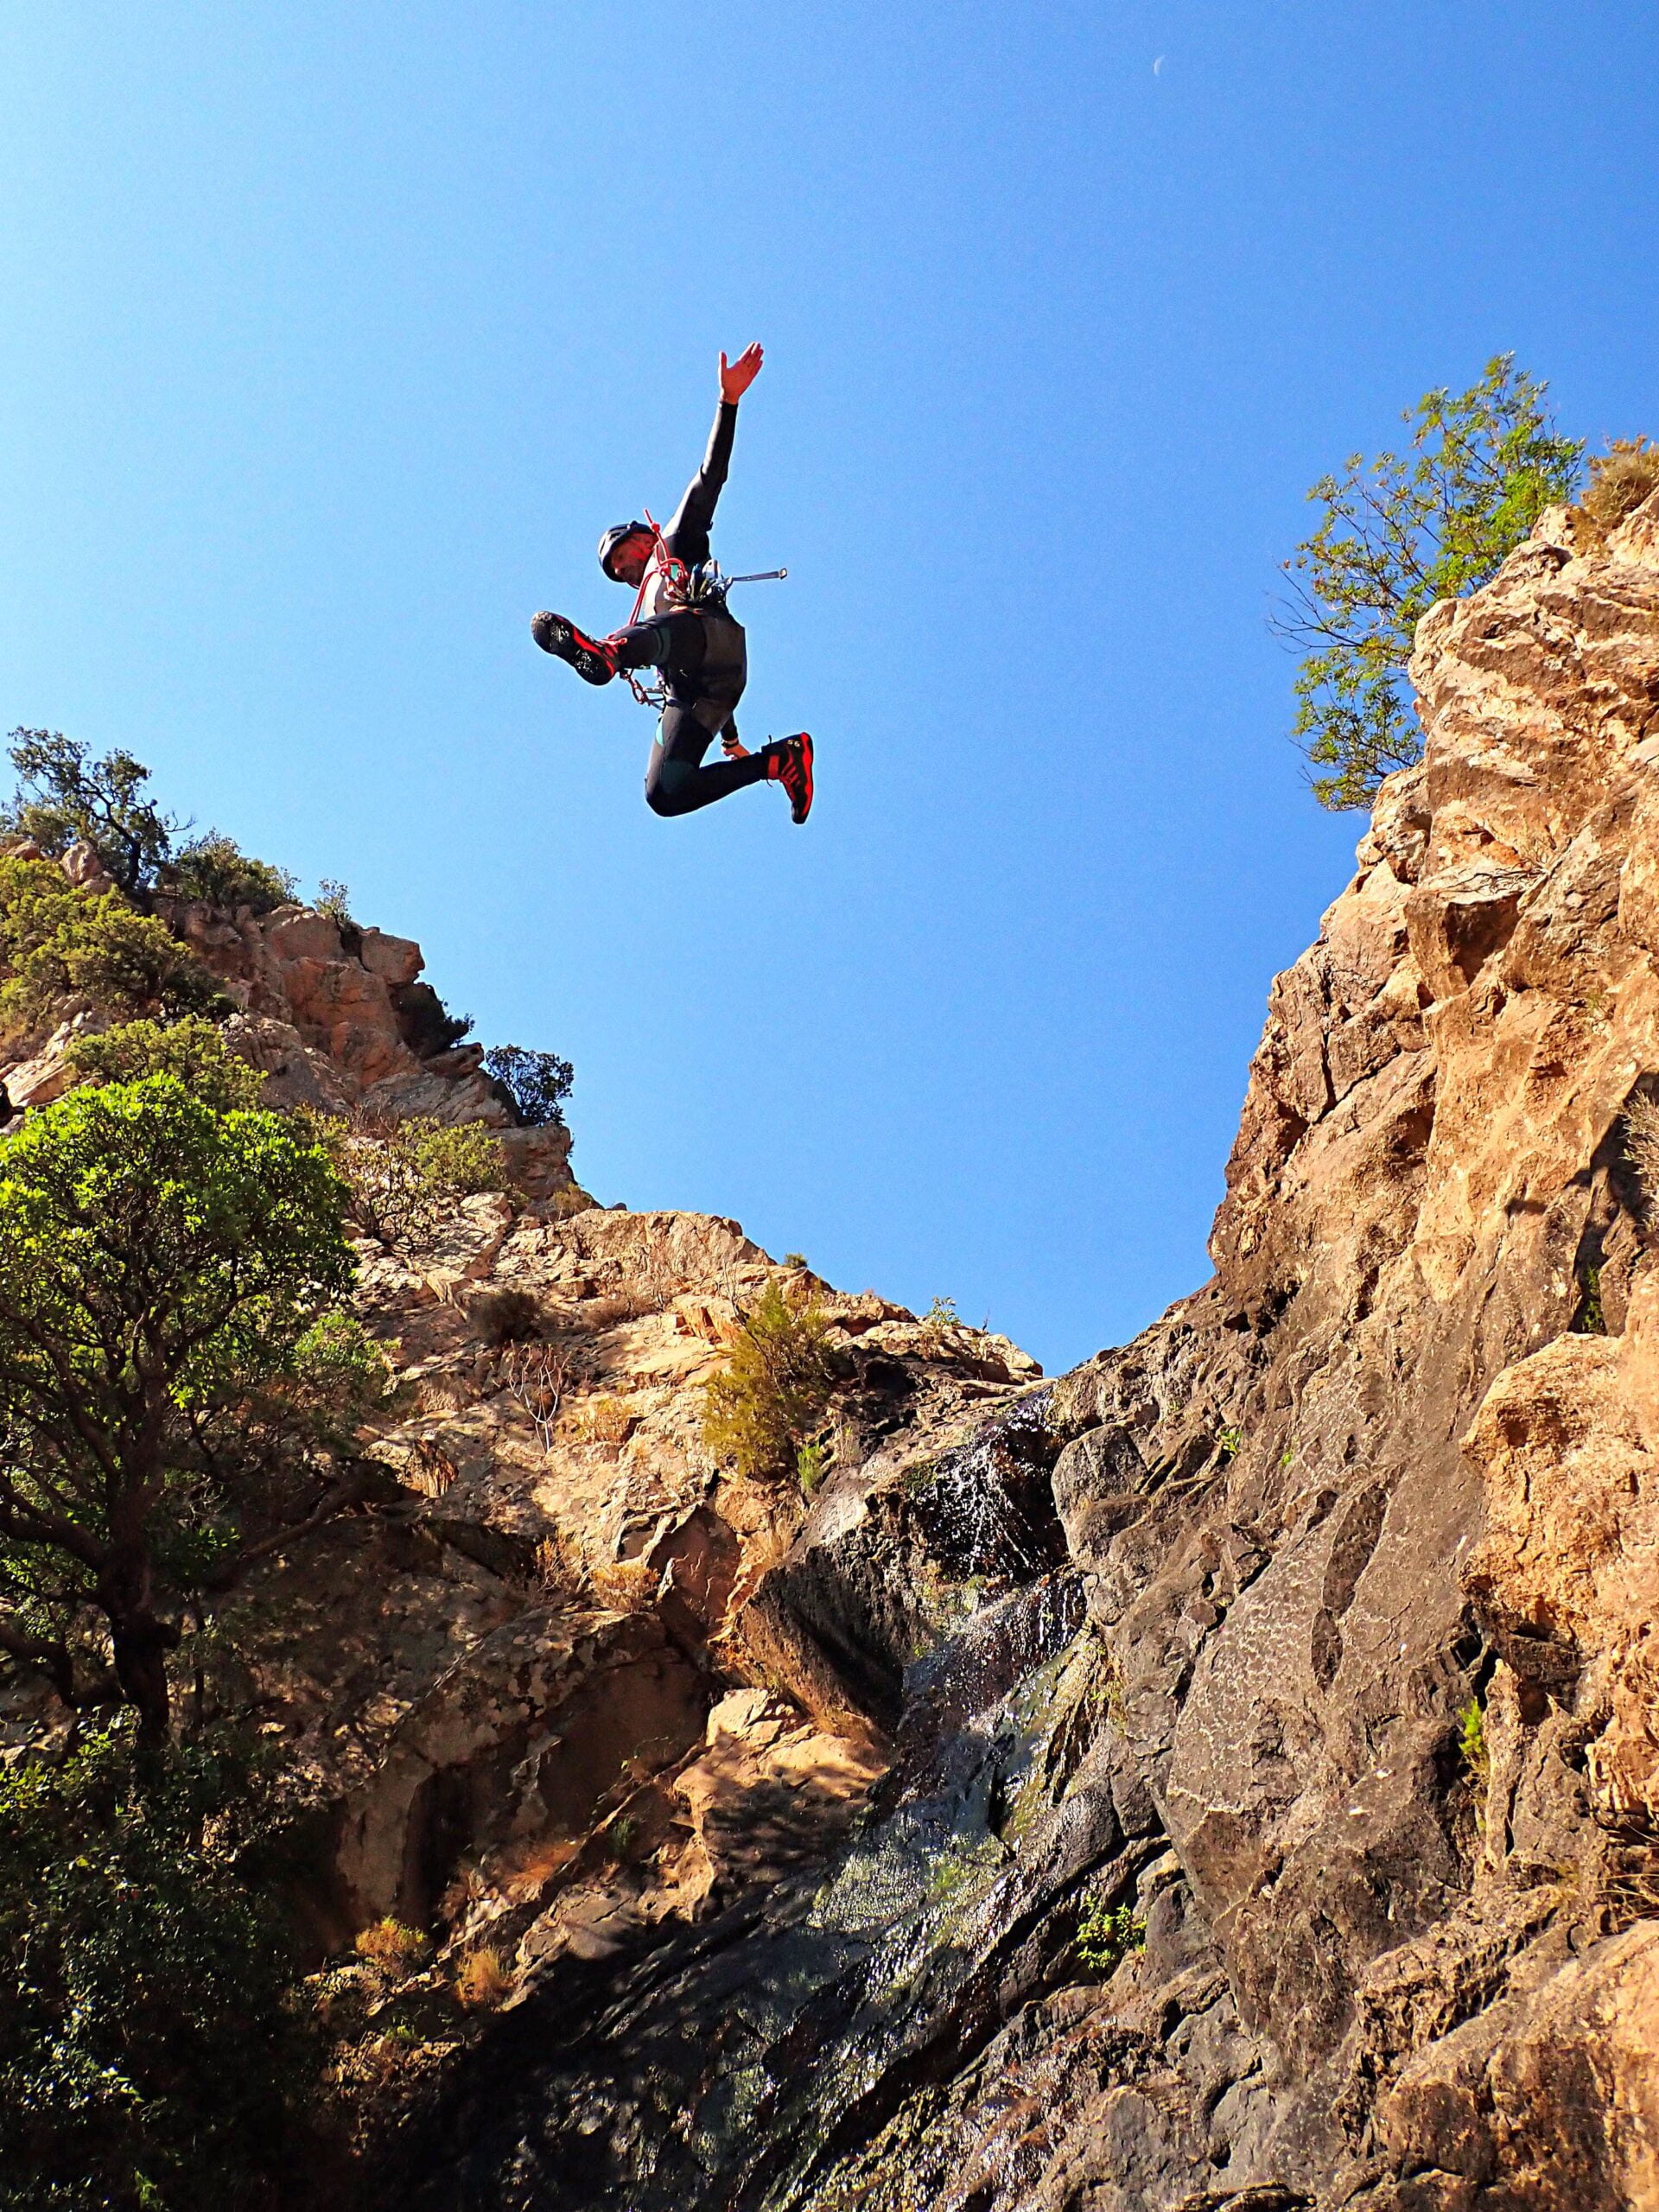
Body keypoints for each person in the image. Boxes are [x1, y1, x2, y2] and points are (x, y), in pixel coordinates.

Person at [531, 343, 814, 824]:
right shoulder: (647, 611)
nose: (625, 568)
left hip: (711, 635)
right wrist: (730, 739)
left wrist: (728, 404)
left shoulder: (674, 542)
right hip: (701, 689)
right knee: (665, 792)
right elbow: (690, 662)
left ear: (645, 535)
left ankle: (606, 655)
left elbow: (710, 478)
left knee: (665, 631)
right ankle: (781, 760)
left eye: (626, 554)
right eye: (618, 569)